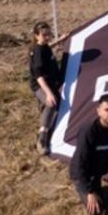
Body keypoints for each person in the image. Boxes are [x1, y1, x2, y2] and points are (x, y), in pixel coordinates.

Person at [28, 21, 65, 156]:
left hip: (51, 82)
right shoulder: (37, 52)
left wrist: (59, 41)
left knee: (56, 104)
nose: (48, 37)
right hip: (40, 85)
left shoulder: (43, 46)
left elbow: (47, 47)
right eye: (44, 35)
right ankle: (42, 137)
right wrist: (48, 94)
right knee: (51, 103)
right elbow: (38, 77)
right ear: (36, 36)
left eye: (49, 34)